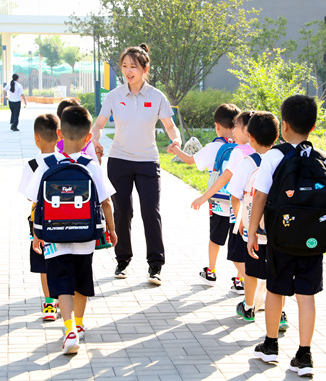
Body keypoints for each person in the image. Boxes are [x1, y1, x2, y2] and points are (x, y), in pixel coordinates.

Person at [247, 95, 326, 376]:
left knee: (276, 289)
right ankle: (304, 355)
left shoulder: (274, 156)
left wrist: (252, 232)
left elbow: (259, 196)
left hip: (281, 239)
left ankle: (271, 345)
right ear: (312, 126)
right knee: (307, 295)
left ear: (283, 125)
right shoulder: (325, 159)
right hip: (313, 243)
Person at [21, 105, 117, 355]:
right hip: (85, 237)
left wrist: (36, 233)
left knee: (61, 282)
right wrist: (112, 230)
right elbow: (106, 202)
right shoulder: (91, 165)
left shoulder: (46, 164)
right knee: (81, 280)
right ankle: (80, 324)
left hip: (54, 237)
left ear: (60, 133)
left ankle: (68, 329)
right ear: (88, 138)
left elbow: (35, 203)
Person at [91, 44, 181, 285]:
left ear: (145, 69)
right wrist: (95, 142)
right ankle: (123, 259)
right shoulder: (115, 95)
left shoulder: (156, 96)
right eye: (125, 66)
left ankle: (155, 265)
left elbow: (170, 126)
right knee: (123, 212)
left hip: (147, 162)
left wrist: (176, 139)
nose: (128, 71)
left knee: (151, 211)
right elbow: (98, 125)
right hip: (119, 161)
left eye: (133, 67)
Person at [168, 104, 241, 288]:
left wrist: (175, 150)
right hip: (238, 203)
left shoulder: (213, 147)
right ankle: (241, 279)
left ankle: (211, 271)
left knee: (215, 237)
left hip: (218, 200)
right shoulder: (243, 148)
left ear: (217, 125)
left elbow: (191, 160)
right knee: (238, 240)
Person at [226, 111, 286, 327]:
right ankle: (280, 314)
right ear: (277, 134)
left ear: (249, 136)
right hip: (280, 229)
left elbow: (235, 194)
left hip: (254, 229)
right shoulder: (283, 158)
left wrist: (240, 221)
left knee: (252, 270)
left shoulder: (248, 162)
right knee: (278, 271)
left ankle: (249, 307)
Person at [18, 113, 61, 321]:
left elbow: (29, 197)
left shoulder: (32, 165)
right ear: (60, 135)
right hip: (64, 222)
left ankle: (49, 304)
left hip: (41, 224)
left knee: (45, 264)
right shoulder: (65, 160)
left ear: (36, 137)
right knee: (62, 260)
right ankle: (64, 298)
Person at [55, 98, 99, 163]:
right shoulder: (88, 145)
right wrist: (98, 154)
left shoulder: (55, 145)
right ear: (88, 137)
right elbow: (96, 164)